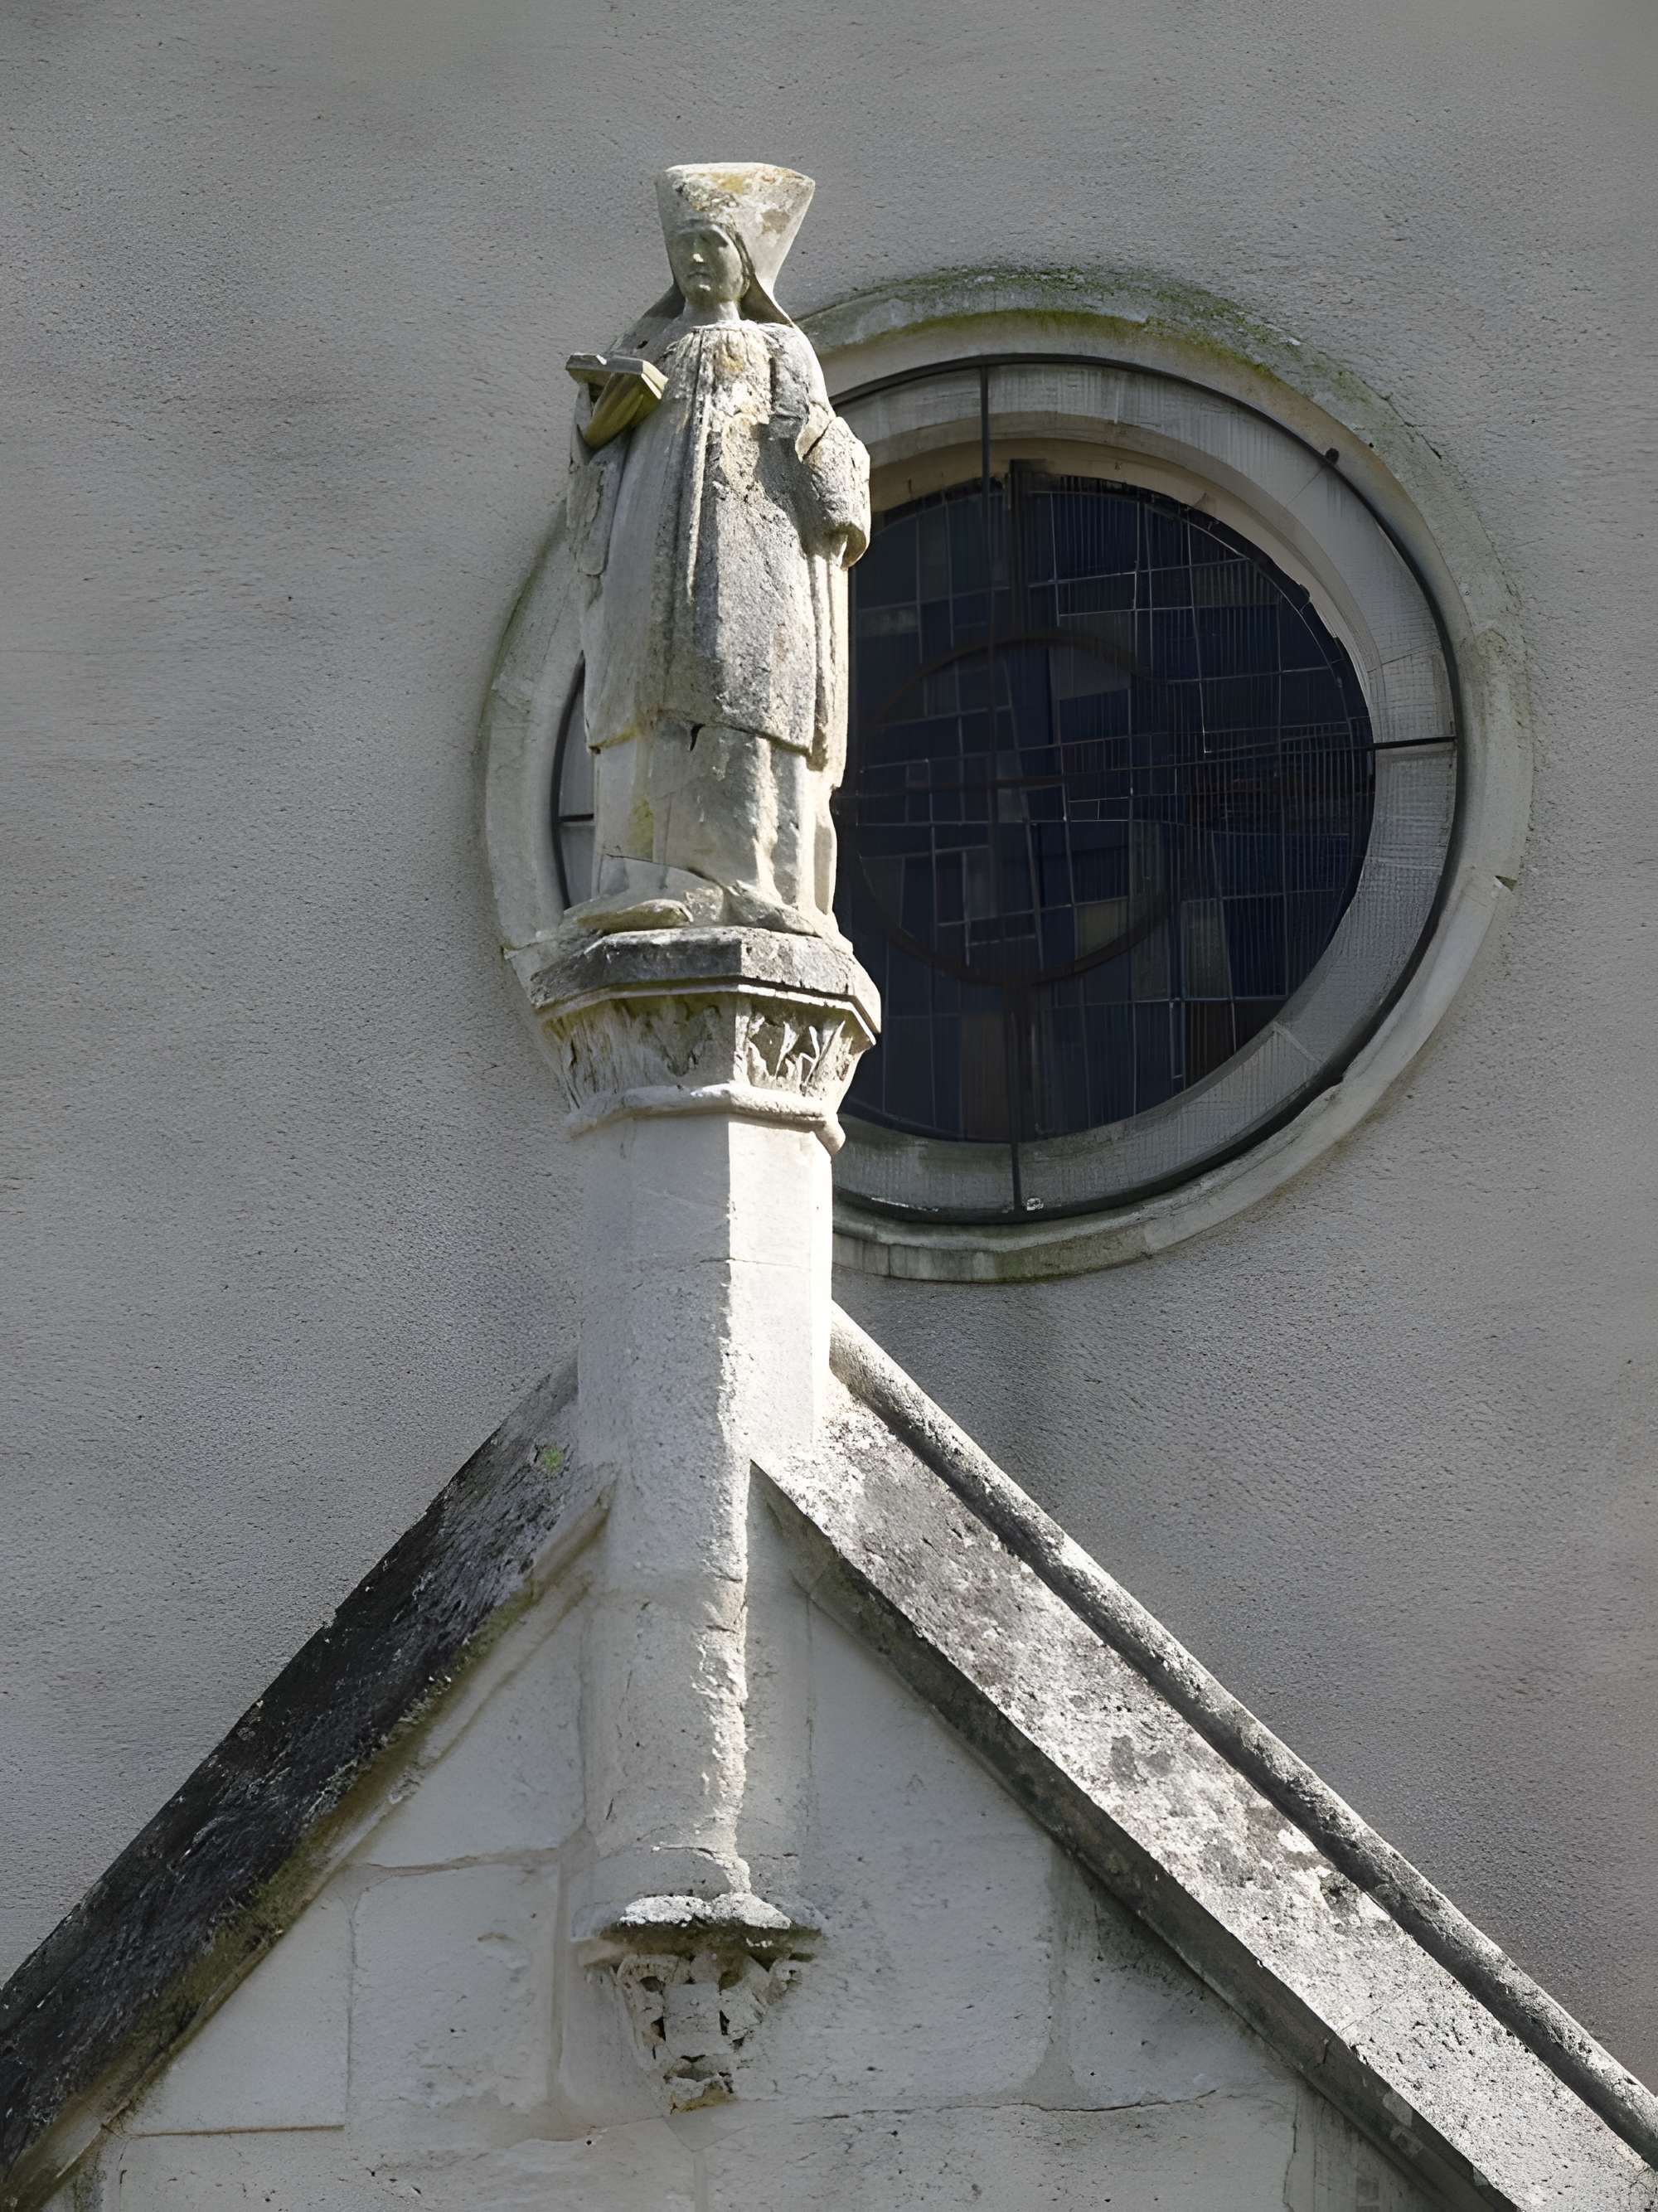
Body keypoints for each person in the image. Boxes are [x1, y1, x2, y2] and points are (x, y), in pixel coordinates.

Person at [565, 163, 870, 938]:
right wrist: (598, 425)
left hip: (750, 549)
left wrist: (815, 450)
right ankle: (642, 877)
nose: (697, 259)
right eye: (686, 246)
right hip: (649, 546)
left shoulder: (780, 348)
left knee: (746, 686)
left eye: (714, 243)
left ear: (748, 261)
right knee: (644, 693)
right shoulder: (650, 344)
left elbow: (827, 457)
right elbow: (596, 457)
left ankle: (751, 879)